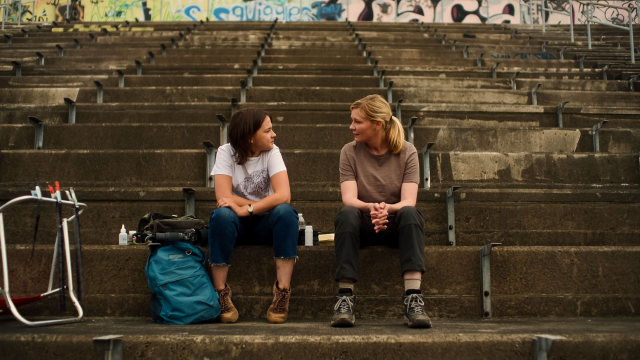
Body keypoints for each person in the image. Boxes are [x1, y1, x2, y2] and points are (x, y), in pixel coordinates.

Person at [331, 94, 431, 328]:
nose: (351, 126)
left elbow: (409, 201)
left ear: (377, 124)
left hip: (396, 223)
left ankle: (413, 298)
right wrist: (372, 207)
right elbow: (349, 199)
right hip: (363, 223)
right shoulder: (349, 151)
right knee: (346, 215)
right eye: (352, 120)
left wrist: (387, 208)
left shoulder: (408, 152)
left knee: (411, 214)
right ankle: (344, 297)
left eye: (357, 121)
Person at [208, 108, 298, 324]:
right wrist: (261, 204)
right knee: (221, 216)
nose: (273, 134)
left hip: (266, 225)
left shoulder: (272, 151)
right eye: (268, 131)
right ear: (250, 138)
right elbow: (222, 197)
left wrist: (246, 208)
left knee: (286, 213)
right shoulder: (225, 152)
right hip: (235, 225)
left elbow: (284, 195)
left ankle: (282, 292)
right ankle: (220, 293)